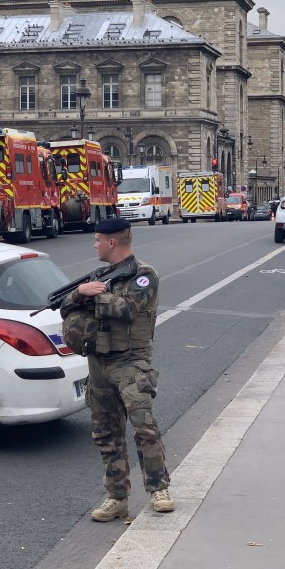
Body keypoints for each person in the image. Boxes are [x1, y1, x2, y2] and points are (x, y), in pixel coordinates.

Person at [60, 216, 174, 522]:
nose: (94, 244)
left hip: (131, 360)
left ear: (113, 241)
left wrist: (94, 294)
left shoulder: (143, 275)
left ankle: (158, 489)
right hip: (98, 360)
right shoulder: (100, 275)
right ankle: (117, 497)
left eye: (97, 239)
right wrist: (78, 292)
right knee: (105, 432)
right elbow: (66, 308)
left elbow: (126, 309)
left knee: (143, 426)